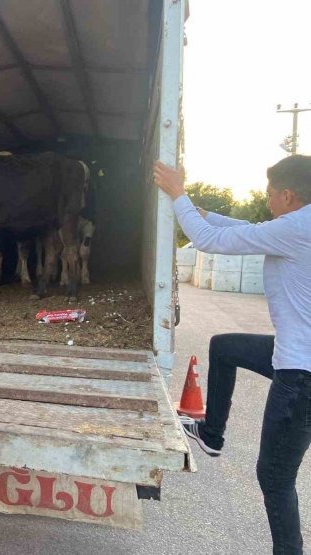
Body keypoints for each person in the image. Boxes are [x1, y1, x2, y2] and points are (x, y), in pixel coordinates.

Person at [154, 155, 311, 555]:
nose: (268, 200)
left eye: (271, 195)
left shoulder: (297, 227)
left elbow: (209, 241)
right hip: (290, 355)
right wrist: (200, 210)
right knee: (224, 347)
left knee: (274, 478)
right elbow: (246, 229)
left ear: (289, 195)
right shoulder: (297, 224)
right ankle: (211, 435)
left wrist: (178, 195)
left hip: (301, 375)